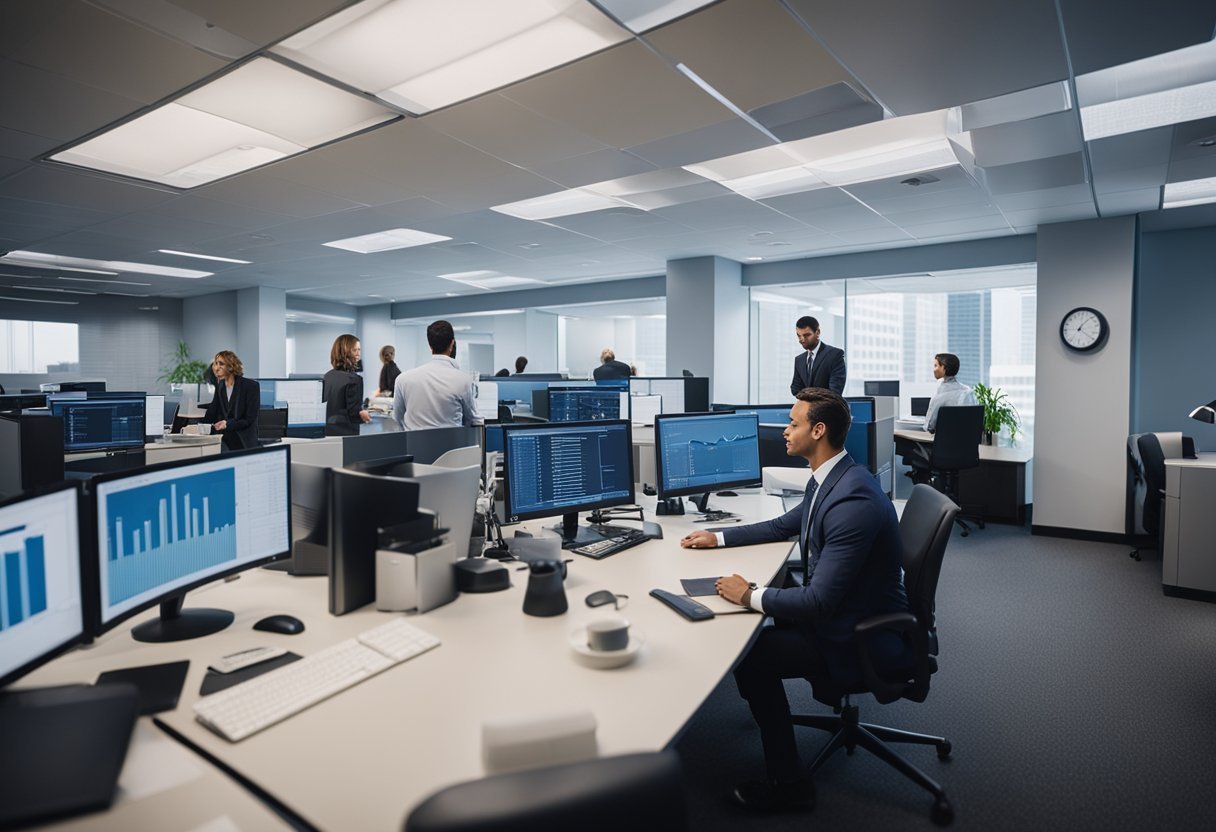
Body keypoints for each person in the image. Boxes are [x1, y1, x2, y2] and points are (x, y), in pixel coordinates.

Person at [680, 388, 911, 812]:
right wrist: (719, 537)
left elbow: (819, 603)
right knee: (772, 604)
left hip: (859, 635)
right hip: (850, 611)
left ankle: (790, 786)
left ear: (818, 430)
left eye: (793, 423)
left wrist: (749, 594)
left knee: (752, 654)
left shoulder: (851, 500)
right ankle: (772, 720)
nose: (785, 431)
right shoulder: (834, 477)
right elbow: (781, 525)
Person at [897, 352, 979, 482]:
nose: (933, 369)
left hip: (943, 455)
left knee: (902, 444)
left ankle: (922, 482)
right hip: (967, 453)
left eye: (936, 366)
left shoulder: (940, 397)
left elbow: (929, 427)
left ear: (944, 368)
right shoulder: (969, 392)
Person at [393, 320, 480, 430]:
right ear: (452, 343)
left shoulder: (403, 379)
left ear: (430, 345)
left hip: (414, 445)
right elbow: (471, 419)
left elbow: (397, 417)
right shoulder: (463, 380)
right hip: (452, 445)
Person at [203, 350, 260, 452]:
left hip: (244, 439)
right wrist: (198, 425)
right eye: (216, 364)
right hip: (228, 439)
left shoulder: (250, 386)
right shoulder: (221, 386)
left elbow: (249, 418)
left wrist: (227, 424)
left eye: (221, 364)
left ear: (231, 366)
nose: (216, 368)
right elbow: (213, 409)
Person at [322, 334, 371, 436]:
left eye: (359, 350)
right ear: (344, 353)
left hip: (327, 432)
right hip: (345, 434)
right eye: (354, 350)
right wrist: (363, 414)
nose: (358, 354)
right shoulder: (354, 379)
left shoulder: (327, 376)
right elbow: (353, 415)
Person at [789, 315, 846, 396]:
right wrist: (816, 393)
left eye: (807, 335)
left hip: (828, 408)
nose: (802, 339)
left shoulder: (835, 355)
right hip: (807, 408)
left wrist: (808, 394)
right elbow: (795, 389)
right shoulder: (799, 360)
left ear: (817, 332)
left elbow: (834, 392)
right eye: (799, 336)